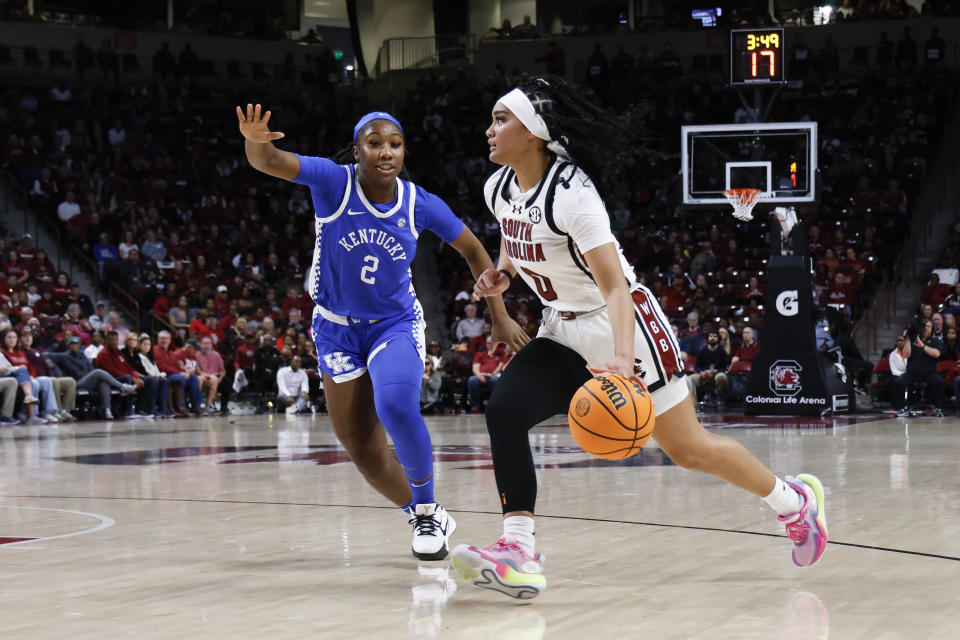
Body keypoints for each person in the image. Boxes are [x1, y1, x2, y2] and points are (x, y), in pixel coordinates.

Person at [451, 77, 827, 599]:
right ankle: (518, 550)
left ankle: (794, 503)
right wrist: (505, 275)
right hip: (562, 325)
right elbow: (517, 236)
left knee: (690, 449)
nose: (489, 130)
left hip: (622, 325)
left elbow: (614, 287)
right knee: (504, 411)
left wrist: (623, 362)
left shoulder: (573, 194)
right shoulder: (499, 188)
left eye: (500, 120)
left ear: (533, 132)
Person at [236, 103, 526, 560]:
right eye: (375, 144)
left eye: (395, 144)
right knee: (363, 451)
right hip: (334, 329)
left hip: (393, 324)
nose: (386, 152)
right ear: (358, 151)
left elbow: (473, 250)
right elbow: (270, 161)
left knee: (394, 403)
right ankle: (421, 513)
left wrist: (499, 314)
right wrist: (255, 140)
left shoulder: (419, 202)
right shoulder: (334, 182)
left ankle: (428, 509)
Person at [48, 336, 136, 420]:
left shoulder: (82, 356)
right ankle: (122, 386)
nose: (75, 346)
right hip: (76, 382)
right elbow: (47, 354)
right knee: (98, 372)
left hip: (88, 379)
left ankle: (107, 411)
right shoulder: (64, 356)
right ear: (69, 345)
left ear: (80, 345)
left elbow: (90, 368)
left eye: (77, 344)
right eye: (72, 344)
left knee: (103, 382)